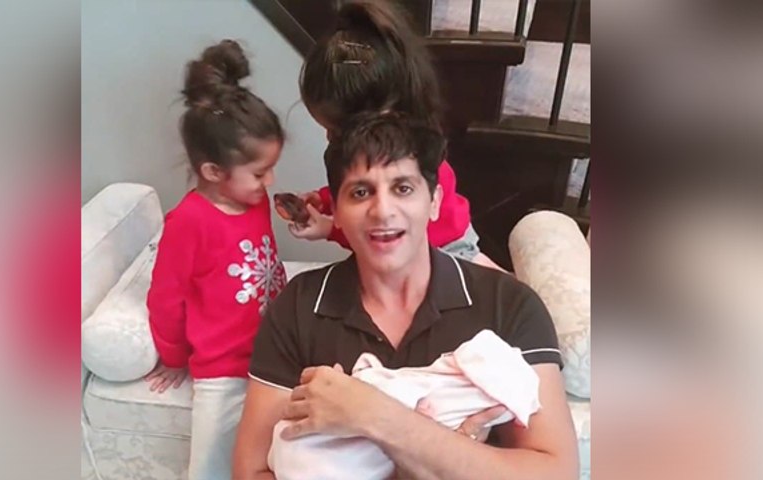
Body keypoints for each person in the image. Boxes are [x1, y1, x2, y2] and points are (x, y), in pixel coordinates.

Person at [233, 113, 578, 480]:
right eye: (361, 192)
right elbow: (251, 471)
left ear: (434, 201)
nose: (383, 211)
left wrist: (375, 416)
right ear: (337, 213)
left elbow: (556, 473)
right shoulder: (299, 305)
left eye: (402, 188)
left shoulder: (508, 305)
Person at [144, 39, 288, 480]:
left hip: (278, 346)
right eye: (259, 173)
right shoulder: (188, 222)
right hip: (224, 369)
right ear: (212, 172)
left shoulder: (255, 202)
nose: (270, 181)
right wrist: (173, 356)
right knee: (210, 467)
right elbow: (165, 297)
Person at [287, 0, 504, 271]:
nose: (330, 138)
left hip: (447, 247)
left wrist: (329, 228)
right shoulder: (376, 151)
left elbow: (383, 232)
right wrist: (326, 200)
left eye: (338, 131)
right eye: (327, 129)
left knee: (490, 284)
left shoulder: (417, 161)